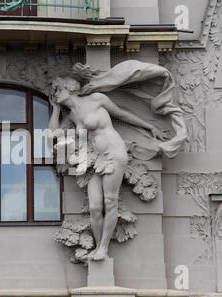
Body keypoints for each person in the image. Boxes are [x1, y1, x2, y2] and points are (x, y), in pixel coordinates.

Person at [49, 76, 169, 261]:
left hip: (114, 152)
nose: (54, 94)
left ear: (69, 88)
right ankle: (98, 247)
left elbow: (121, 114)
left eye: (57, 89)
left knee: (110, 201)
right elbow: (53, 135)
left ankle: (103, 248)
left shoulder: (96, 99)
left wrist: (150, 127)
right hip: (96, 161)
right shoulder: (72, 116)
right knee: (95, 207)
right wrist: (56, 109)